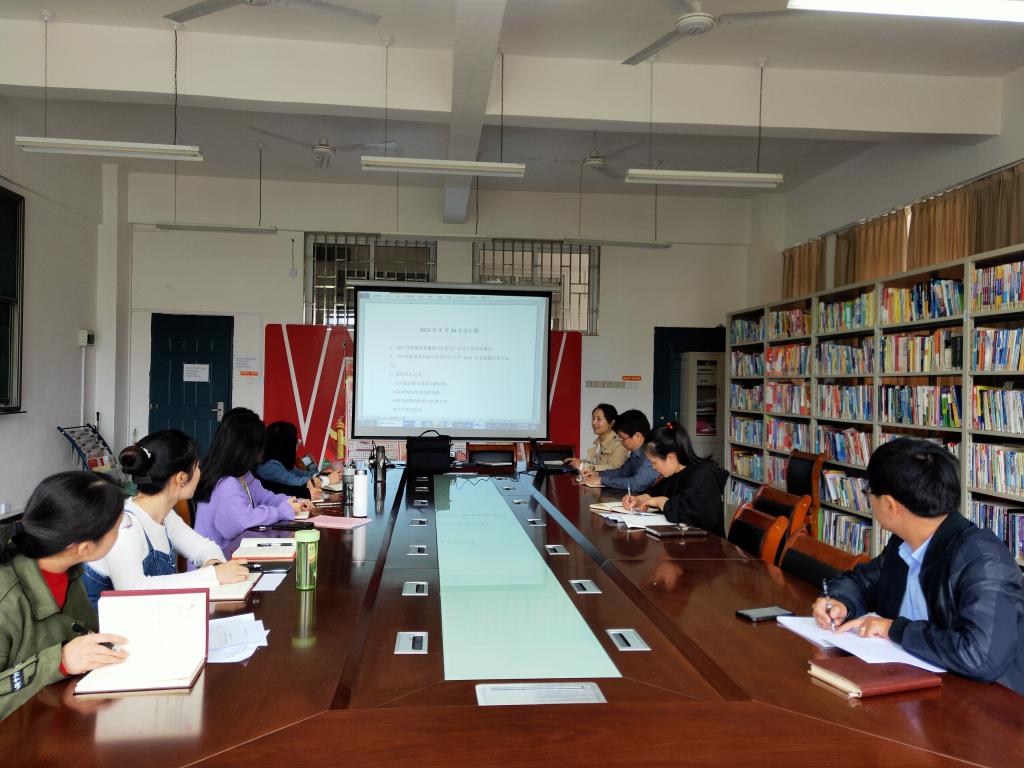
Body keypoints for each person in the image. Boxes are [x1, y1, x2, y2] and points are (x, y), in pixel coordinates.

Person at [812, 438, 1024, 694]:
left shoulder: (983, 559)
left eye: (869, 493)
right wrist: (840, 601)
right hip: (911, 685)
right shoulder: (904, 543)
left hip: (982, 702)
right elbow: (864, 581)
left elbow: (980, 656)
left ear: (890, 506)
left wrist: (894, 629)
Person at [0, 472, 129, 720]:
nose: (119, 534)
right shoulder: (6, 598)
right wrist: (59, 661)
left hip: (60, 718)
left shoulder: (65, 568)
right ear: (85, 548)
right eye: (117, 528)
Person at [83, 430, 249, 609]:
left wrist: (214, 564)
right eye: (197, 467)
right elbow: (132, 589)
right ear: (181, 478)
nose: (200, 472)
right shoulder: (125, 526)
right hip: (108, 625)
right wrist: (213, 575)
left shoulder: (165, 516)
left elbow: (204, 547)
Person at [194, 408, 314, 555]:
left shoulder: (243, 475)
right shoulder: (225, 483)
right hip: (217, 564)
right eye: (259, 447)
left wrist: (294, 502)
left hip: (234, 555)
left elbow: (266, 497)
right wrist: (283, 511)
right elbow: (242, 521)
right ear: (245, 449)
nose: (261, 454)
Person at [622, 421, 727, 537]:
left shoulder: (704, 477)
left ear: (671, 458)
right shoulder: (674, 473)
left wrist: (661, 502)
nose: (653, 467)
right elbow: (654, 493)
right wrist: (638, 500)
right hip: (683, 539)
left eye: (654, 462)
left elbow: (686, 512)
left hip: (707, 543)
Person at [255, 421, 342, 500]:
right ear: (285, 444)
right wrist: (327, 479)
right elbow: (296, 482)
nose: (299, 442)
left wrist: (321, 475)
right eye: (295, 439)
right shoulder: (269, 466)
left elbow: (300, 474)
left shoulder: (281, 462)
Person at [578, 409, 659, 493]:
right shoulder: (635, 453)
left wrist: (602, 480)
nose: (620, 441)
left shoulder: (652, 454)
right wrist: (597, 474)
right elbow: (623, 472)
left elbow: (636, 484)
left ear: (637, 436)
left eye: (622, 438)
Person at [564, 404, 628, 472]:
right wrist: (577, 462)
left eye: (599, 419)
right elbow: (595, 463)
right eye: (593, 418)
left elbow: (614, 468)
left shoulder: (620, 445)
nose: (594, 423)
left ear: (611, 423)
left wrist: (582, 466)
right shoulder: (599, 443)